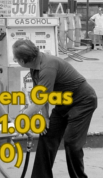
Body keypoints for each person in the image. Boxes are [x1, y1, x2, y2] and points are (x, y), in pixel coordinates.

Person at [12, 39, 97, 178]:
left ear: (22, 60)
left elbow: (40, 101)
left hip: (83, 101)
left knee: (72, 142)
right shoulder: (34, 68)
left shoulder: (48, 67)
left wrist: (22, 118)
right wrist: (45, 117)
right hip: (63, 103)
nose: (15, 60)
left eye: (16, 58)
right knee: (47, 135)